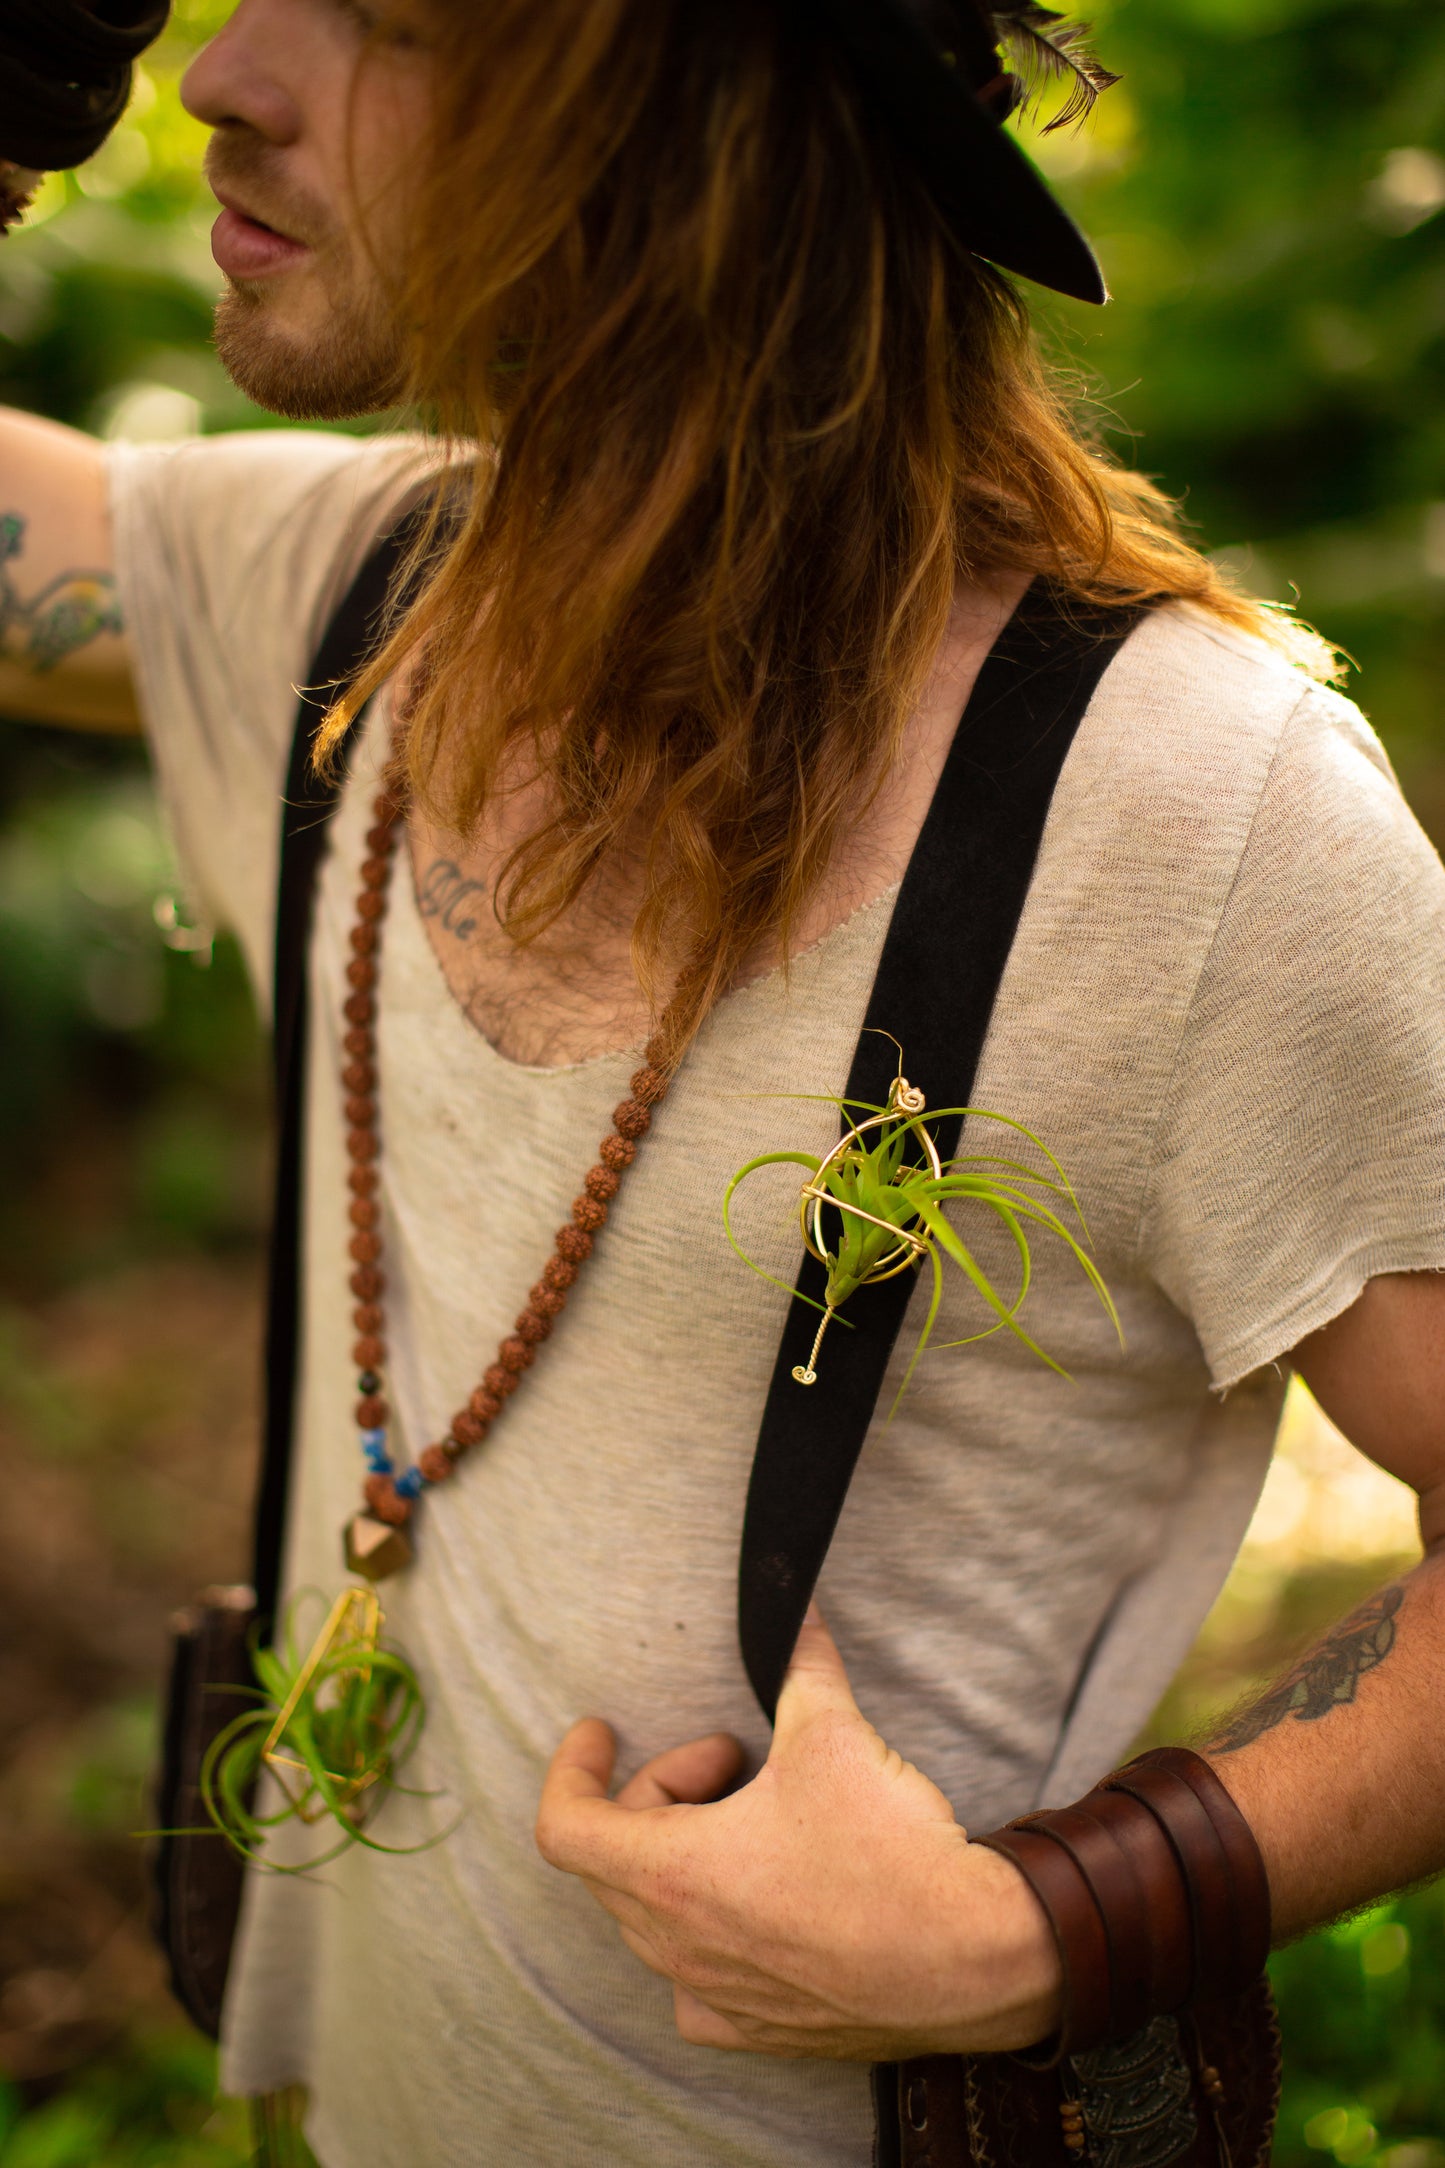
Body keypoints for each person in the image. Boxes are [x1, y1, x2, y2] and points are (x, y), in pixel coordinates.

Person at [3, 2, 1445, 2163]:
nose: (225, 71)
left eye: (385, 12)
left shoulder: (1191, 809)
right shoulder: (347, 603)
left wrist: (1053, 1929)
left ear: (690, 107)